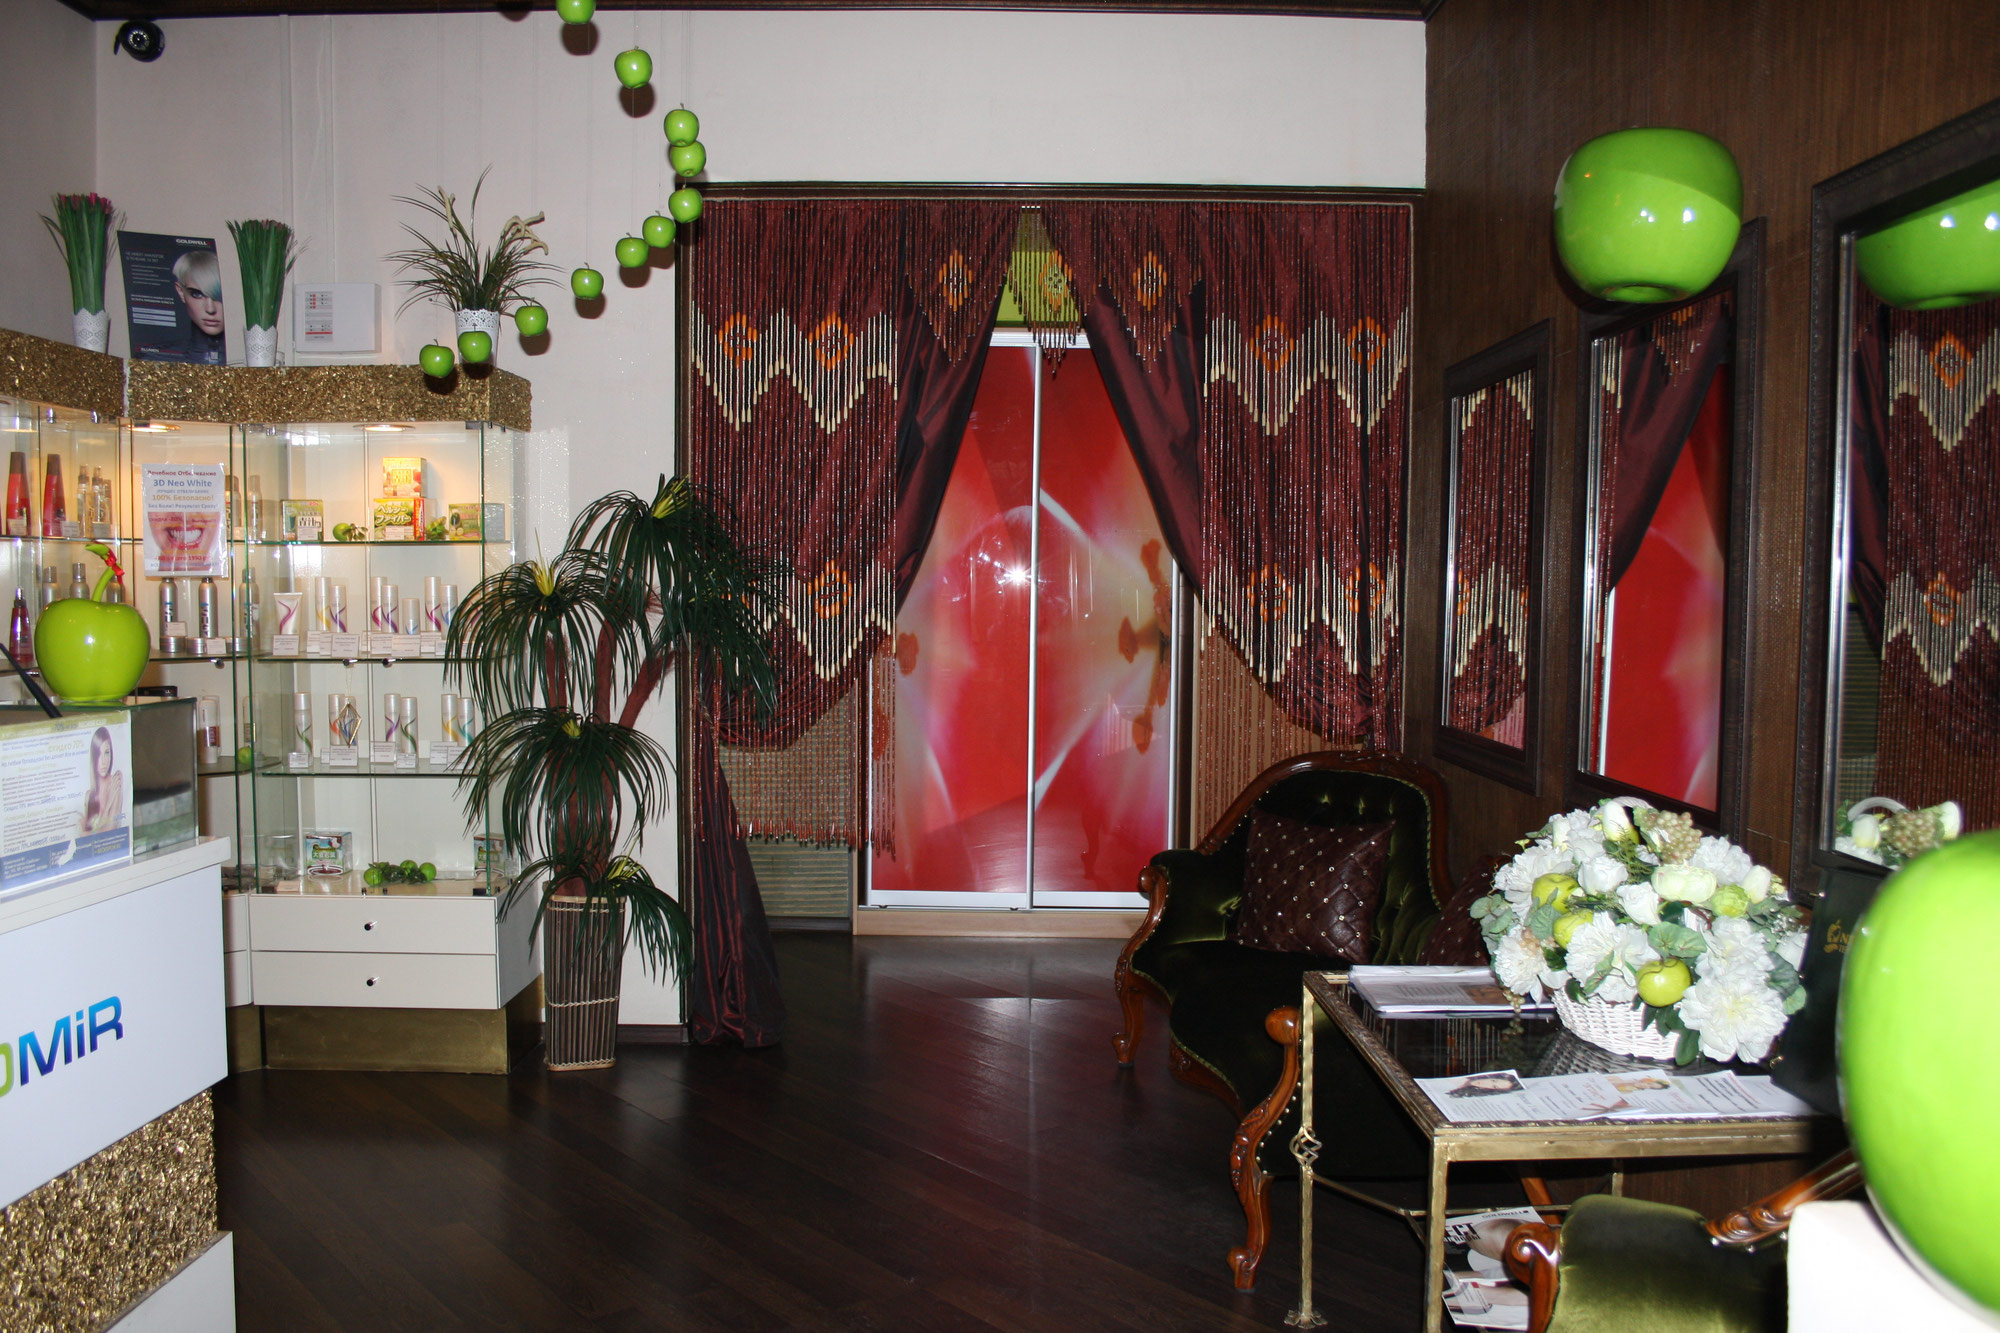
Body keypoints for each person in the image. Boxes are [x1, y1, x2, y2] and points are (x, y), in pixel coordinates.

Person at [172, 249, 227, 365]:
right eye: (197, 294)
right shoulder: (153, 356)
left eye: (219, 296)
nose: (210, 309)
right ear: (181, 292)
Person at [81, 726, 125, 833]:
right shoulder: (89, 796)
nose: (103, 761)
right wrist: (108, 805)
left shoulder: (116, 782)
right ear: (94, 757)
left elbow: (110, 829)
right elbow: (85, 834)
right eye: (98, 754)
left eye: (106, 752)